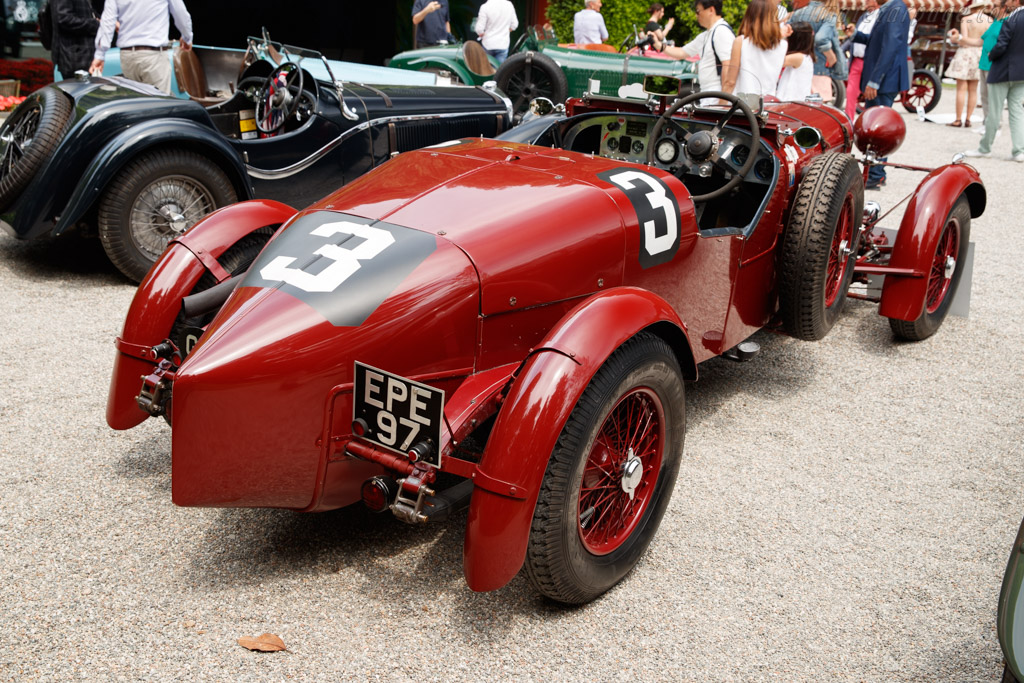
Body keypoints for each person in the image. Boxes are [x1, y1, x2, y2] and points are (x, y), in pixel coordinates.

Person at [89, 0, 192, 95]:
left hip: (127, 56)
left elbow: (107, 22)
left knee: (137, 105)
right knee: (159, 106)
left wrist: (100, 55)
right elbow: (181, 13)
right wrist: (187, 38)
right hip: (154, 55)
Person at [860, 0, 911, 188]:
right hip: (884, 78)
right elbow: (880, 41)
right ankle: (875, 172)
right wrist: (857, 36)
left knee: (877, 128)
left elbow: (890, 47)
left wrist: (875, 80)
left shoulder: (896, 8)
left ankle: (875, 173)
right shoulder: (891, 8)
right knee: (874, 126)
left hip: (884, 80)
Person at [965, 0, 1024, 161]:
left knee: (994, 112)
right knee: (1017, 112)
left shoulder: (1010, 19)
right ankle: (1019, 151)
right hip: (1021, 73)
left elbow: (1001, 45)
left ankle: (985, 148)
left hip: (1002, 70)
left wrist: (991, 55)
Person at [951, 0, 1013, 122]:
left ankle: (994, 124)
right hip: (982, 61)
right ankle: (984, 123)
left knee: (991, 97)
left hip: (993, 64)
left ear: (1003, 8)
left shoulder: (1008, 23)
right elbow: (979, 41)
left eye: (994, 6)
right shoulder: (993, 22)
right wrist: (959, 38)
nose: (991, 9)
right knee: (983, 96)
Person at [663, 0, 735, 97]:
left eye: (698, 11)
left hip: (717, 96)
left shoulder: (721, 32)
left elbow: (729, 66)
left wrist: (723, 101)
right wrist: (659, 46)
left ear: (711, 10)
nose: (696, 15)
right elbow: (681, 53)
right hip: (708, 94)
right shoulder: (706, 35)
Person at [945, 0, 993, 127]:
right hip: (980, 54)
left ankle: (958, 119)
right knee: (973, 89)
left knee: (961, 89)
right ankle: (968, 119)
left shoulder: (966, 19)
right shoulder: (989, 21)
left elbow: (964, 40)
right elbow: (986, 41)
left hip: (966, 54)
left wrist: (956, 38)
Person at [726, 0, 788, 98]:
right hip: (768, 104)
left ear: (749, 17)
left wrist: (720, 105)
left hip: (743, 104)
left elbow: (730, 82)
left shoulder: (741, 42)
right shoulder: (783, 45)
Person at [789, 0, 848, 101]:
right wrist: (830, 56)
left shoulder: (798, 13)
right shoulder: (828, 15)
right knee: (818, 111)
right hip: (819, 67)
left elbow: (787, 32)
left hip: (796, 66)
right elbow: (821, 39)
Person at [844, 0, 879, 120]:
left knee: (870, 94)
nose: (866, 2)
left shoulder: (881, 17)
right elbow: (854, 37)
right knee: (850, 93)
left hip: (870, 62)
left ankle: (868, 123)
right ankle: (849, 121)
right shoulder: (863, 17)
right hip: (856, 60)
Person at [50, 0, 100, 80]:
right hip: (74, 57)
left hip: (81, 55)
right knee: (76, 90)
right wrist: (96, 24)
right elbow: (64, 19)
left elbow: (88, 13)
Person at [778, 22, 815, 100]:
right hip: (796, 101)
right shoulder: (806, 57)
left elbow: (773, 60)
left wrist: (779, 36)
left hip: (791, 102)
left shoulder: (798, 57)